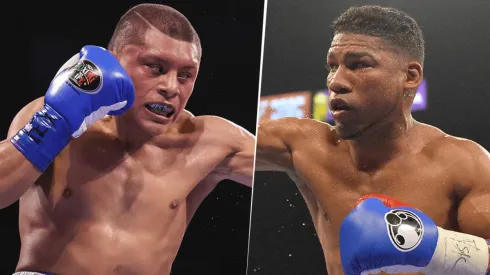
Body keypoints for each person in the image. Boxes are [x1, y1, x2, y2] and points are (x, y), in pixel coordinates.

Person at [0, 3, 255, 275]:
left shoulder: (205, 141)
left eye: (185, 76)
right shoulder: (51, 117)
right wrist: (55, 121)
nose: (171, 87)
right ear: (115, 60)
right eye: (155, 67)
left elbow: (290, 161)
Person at [256, 5, 489, 275]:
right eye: (333, 65)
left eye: (359, 64)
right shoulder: (303, 145)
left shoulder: (464, 164)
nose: (336, 81)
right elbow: (215, 139)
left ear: (410, 77)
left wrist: (439, 249)